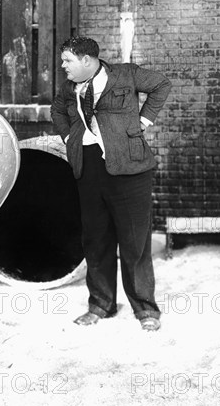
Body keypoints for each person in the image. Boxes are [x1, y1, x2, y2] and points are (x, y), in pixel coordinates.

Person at [50, 36, 171, 331]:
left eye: (67, 60)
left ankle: (145, 308)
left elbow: (161, 85)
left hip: (130, 170)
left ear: (86, 61)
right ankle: (100, 304)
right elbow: (57, 111)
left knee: (134, 242)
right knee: (96, 239)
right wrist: (70, 137)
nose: (63, 65)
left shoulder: (126, 74)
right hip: (88, 169)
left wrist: (142, 122)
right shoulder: (69, 88)